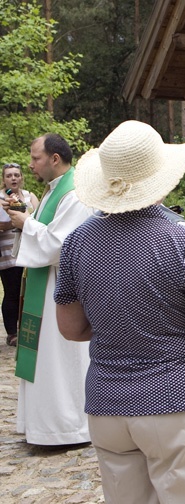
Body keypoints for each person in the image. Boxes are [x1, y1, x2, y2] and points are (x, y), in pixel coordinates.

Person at [54, 120, 185, 504]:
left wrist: (119, 327)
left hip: (107, 402)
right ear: (162, 179)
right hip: (176, 400)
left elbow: (71, 328)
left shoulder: (75, 244)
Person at [4, 134, 93, 446]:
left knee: (61, 358)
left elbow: (62, 244)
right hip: (45, 284)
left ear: (55, 159)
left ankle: (68, 427)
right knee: (43, 357)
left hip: (63, 288)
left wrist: (25, 223)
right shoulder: (53, 190)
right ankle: (42, 423)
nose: (30, 165)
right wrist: (24, 223)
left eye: (36, 158)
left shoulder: (75, 194)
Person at [0, 163, 39, 347]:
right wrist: (10, 223)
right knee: (12, 291)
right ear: (4, 179)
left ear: (22, 177)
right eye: (9, 176)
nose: (13, 178)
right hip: (8, 252)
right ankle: (12, 333)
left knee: (29, 291)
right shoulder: (0, 198)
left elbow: (40, 218)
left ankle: (28, 330)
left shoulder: (30, 196)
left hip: (30, 250)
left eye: (16, 175)